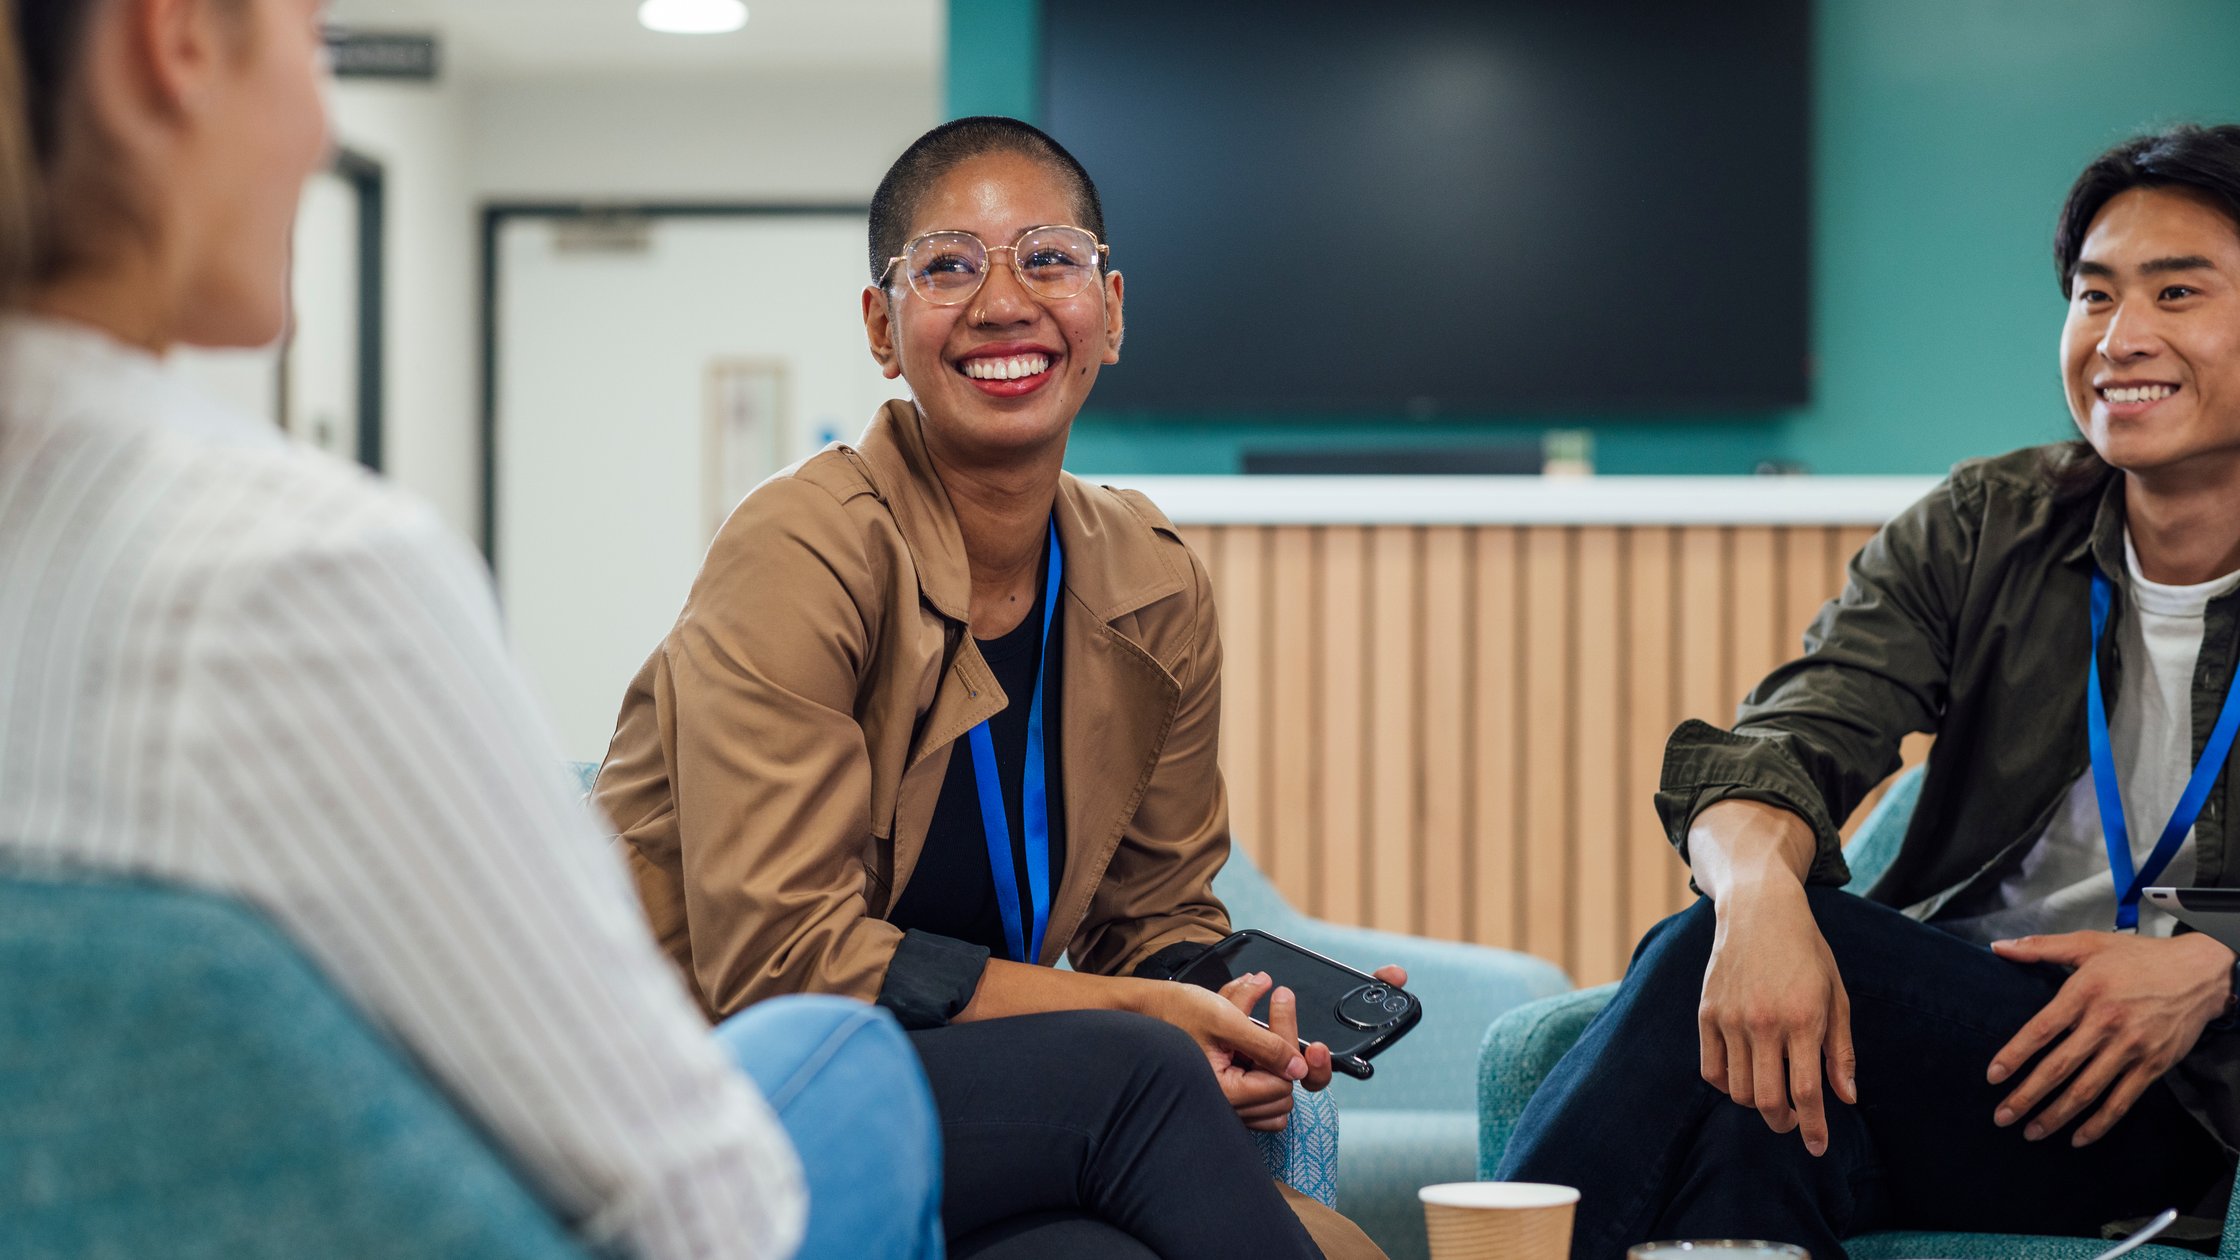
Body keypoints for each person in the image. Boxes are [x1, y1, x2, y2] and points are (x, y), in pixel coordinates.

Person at [0, 2, 938, 1256]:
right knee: (847, 1064)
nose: (323, 117)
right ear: (171, 43)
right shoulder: (289, 576)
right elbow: (712, 1212)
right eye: (315, 43)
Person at [594, 116, 1390, 1260]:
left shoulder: (1148, 582)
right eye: (949, 266)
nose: (1002, 303)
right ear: (881, 327)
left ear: (1110, 310)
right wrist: (1141, 1021)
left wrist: (1231, 1017)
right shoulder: (801, 548)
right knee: (1135, 1074)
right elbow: (782, 964)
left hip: (958, 1104)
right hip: (706, 1094)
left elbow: (1155, 923)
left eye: (1049, 258)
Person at [1498, 123, 2240, 1259]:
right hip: (1982, 1056)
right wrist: (1753, 906)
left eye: (2175, 293)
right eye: (2093, 297)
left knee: (1749, 1029)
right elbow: (1788, 735)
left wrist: (2214, 967)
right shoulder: (1989, 524)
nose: (2118, 338)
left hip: (2189, 1094)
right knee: (1751, 1110)